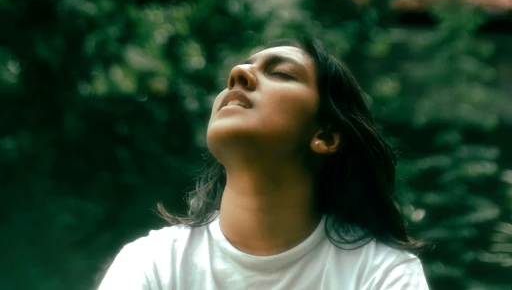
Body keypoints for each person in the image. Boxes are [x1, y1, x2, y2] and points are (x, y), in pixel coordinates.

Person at [98, 37, 429, 289]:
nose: (237, 74)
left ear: (325, 136)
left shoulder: (381, 274)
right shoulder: (155, 263)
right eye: (240, 68)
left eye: (281, 73)